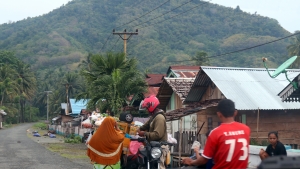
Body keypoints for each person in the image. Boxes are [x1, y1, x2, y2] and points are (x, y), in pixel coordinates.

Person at [182, 99, 251, 169]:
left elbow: (204, 160)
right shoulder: (246, 129)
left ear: (219, 114)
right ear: (235, 112)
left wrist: (191, 162)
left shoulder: (215, 133)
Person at [137, 95, 168, 169]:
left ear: (152, 106)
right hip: (152, 147)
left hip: (159, 147)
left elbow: (157, 135)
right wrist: (136, 129)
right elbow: (145, 126)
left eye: (147, 108)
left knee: (159, 166)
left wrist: (144, 133)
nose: (147, 110)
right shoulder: (153, 117)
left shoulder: (159, 118)